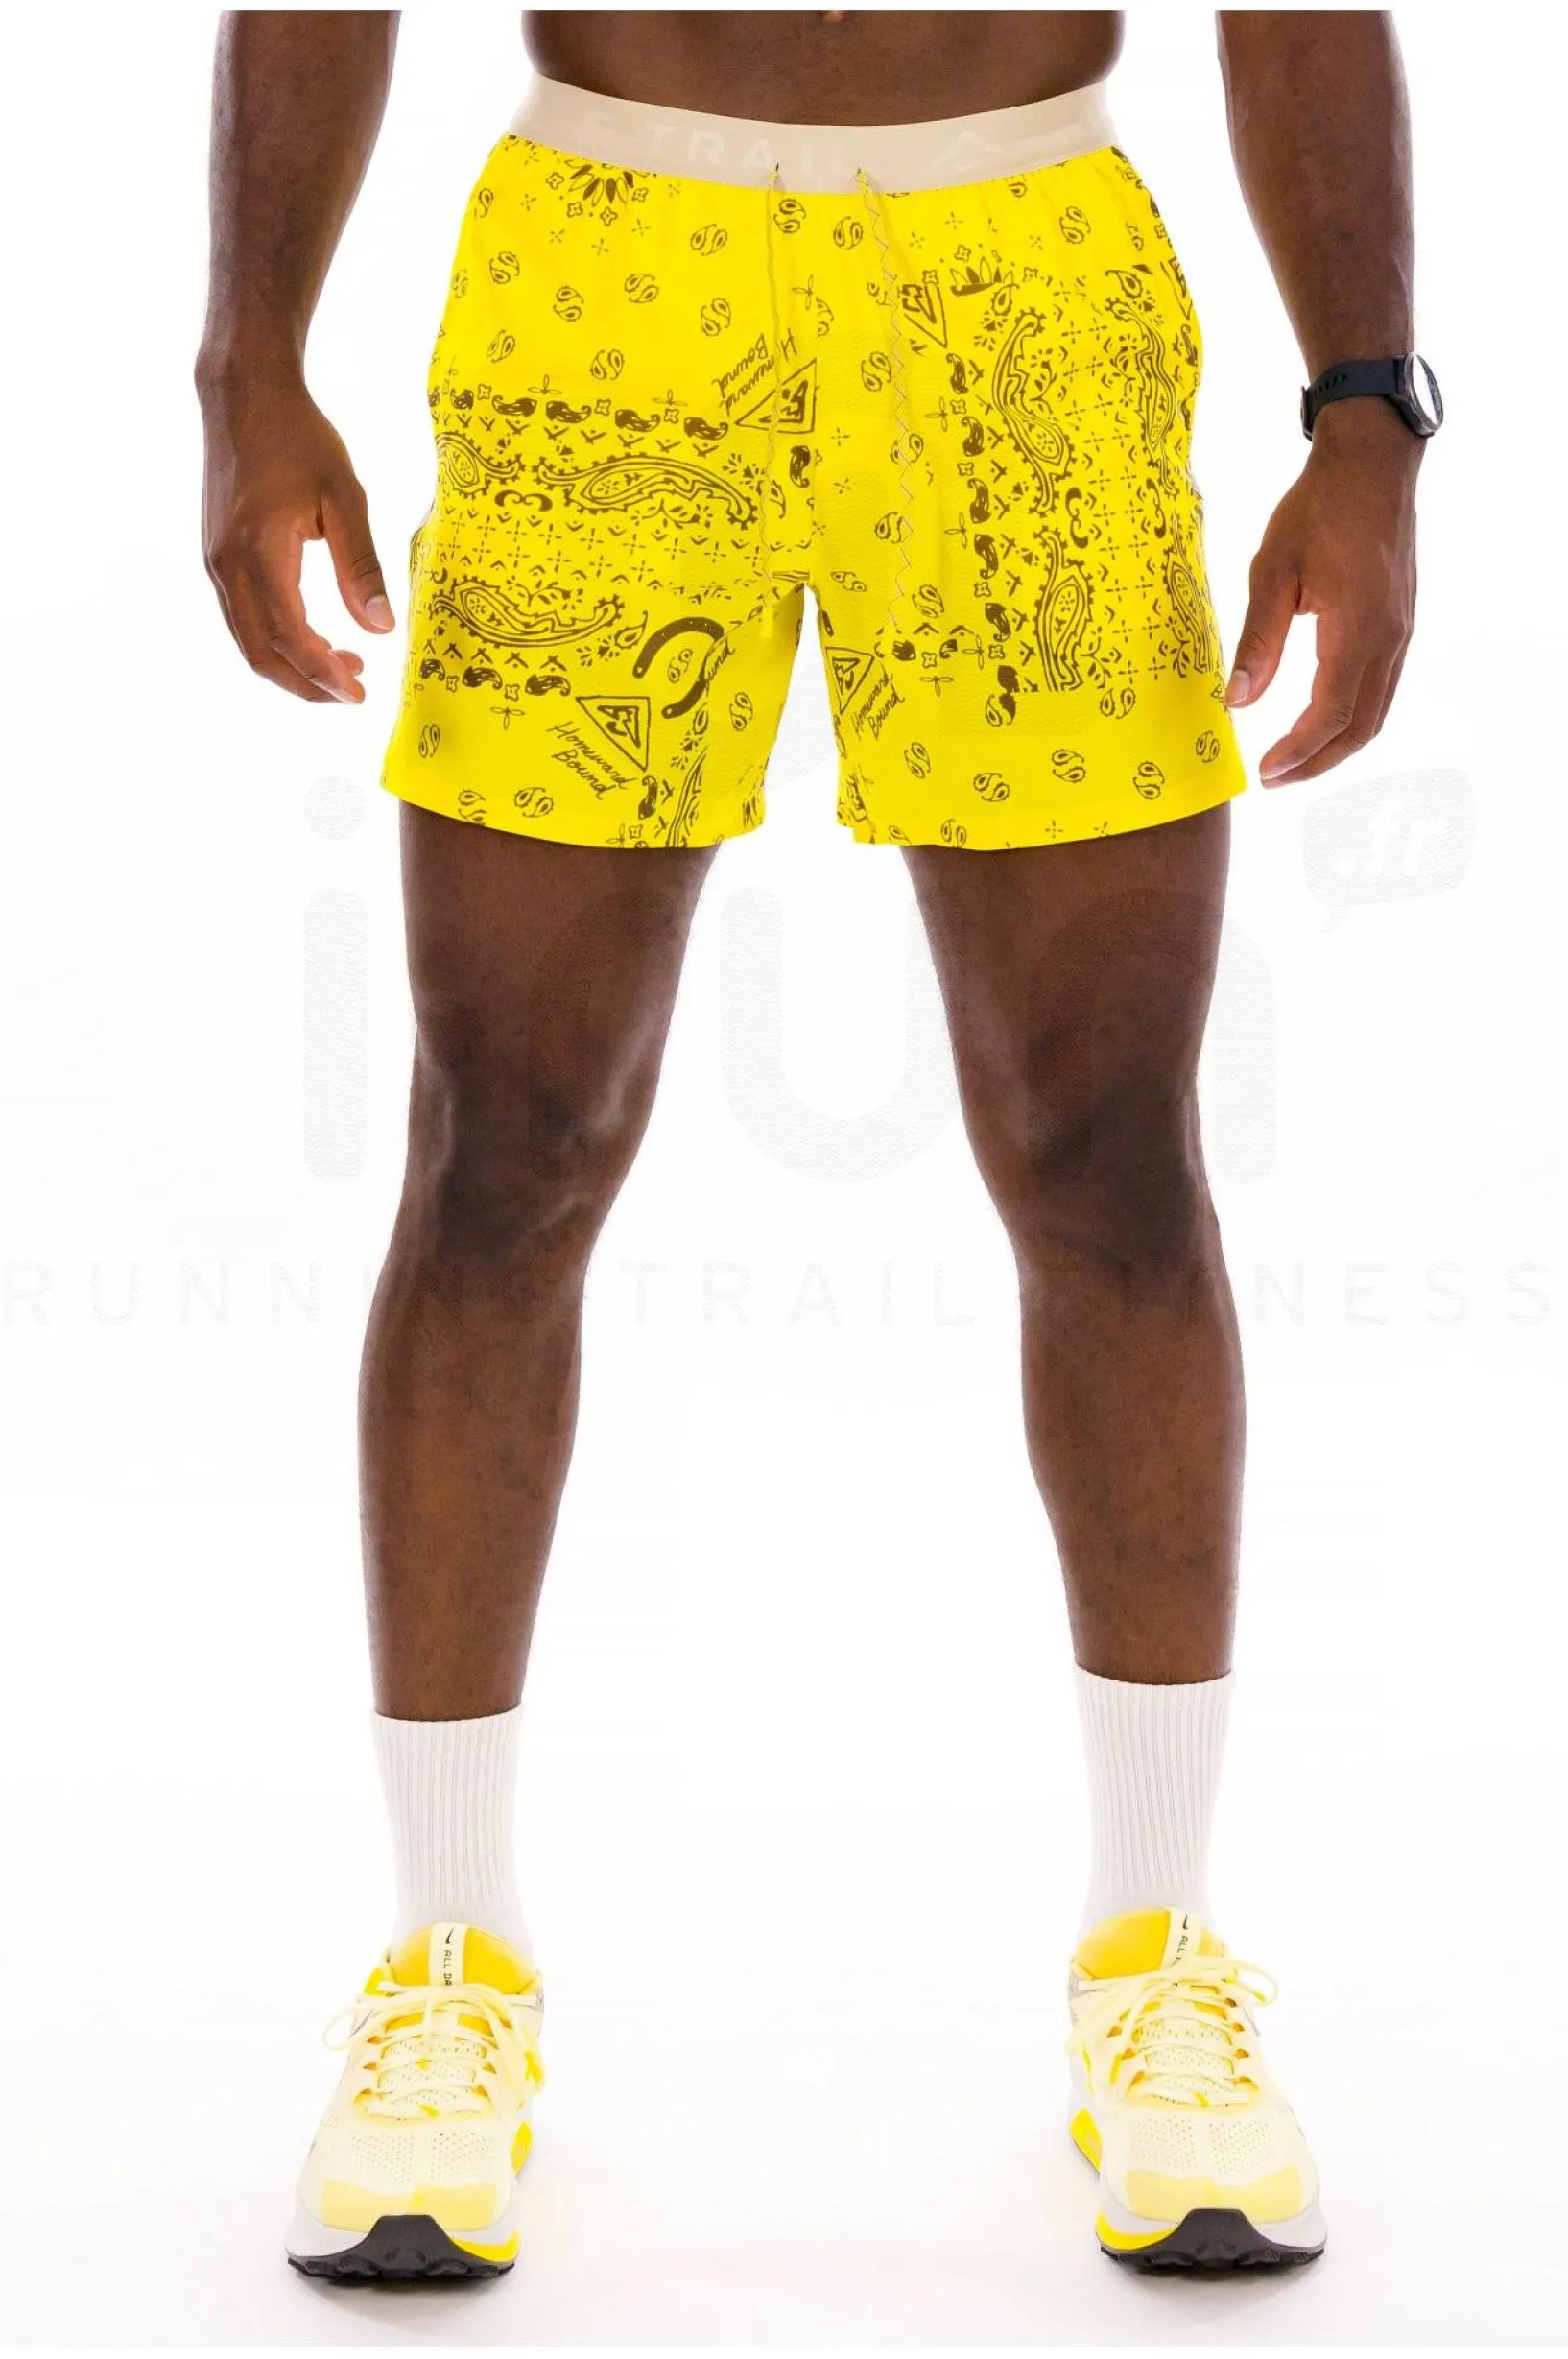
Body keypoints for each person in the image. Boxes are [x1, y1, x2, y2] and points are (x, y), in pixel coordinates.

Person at [197, 7, 1436, 2281]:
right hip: (602, 272)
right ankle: (447, 1963)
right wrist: (246, 361)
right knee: (505, 1145)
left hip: (1027, 279)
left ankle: (1157, 1951)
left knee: (1105, 1150)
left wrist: (1365, 411)